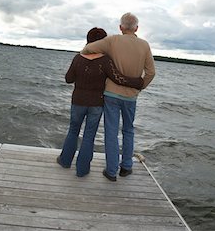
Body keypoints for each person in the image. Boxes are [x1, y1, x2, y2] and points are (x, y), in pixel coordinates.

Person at [57, 27, 145, 177]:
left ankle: (65, 161)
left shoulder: (78, 58)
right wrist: (138, 82)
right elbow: (118, 78)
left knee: (73, 130)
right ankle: (82, 170)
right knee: (89, 135)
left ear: (88, 40)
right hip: (96, 104)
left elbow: (68, 79)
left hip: (78, 101)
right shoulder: (105, 61)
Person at [81, 13, 155, 181]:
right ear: (136, 28)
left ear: (121, 27)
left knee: (111, 132)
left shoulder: (112, 41)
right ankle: (126, 167)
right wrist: (140, 86)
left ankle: (111, 171)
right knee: (128, 130)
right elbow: (151, 72)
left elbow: (86, 49)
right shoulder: (144, 45)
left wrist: (102, 60)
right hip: (131, 97)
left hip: (111, 94)